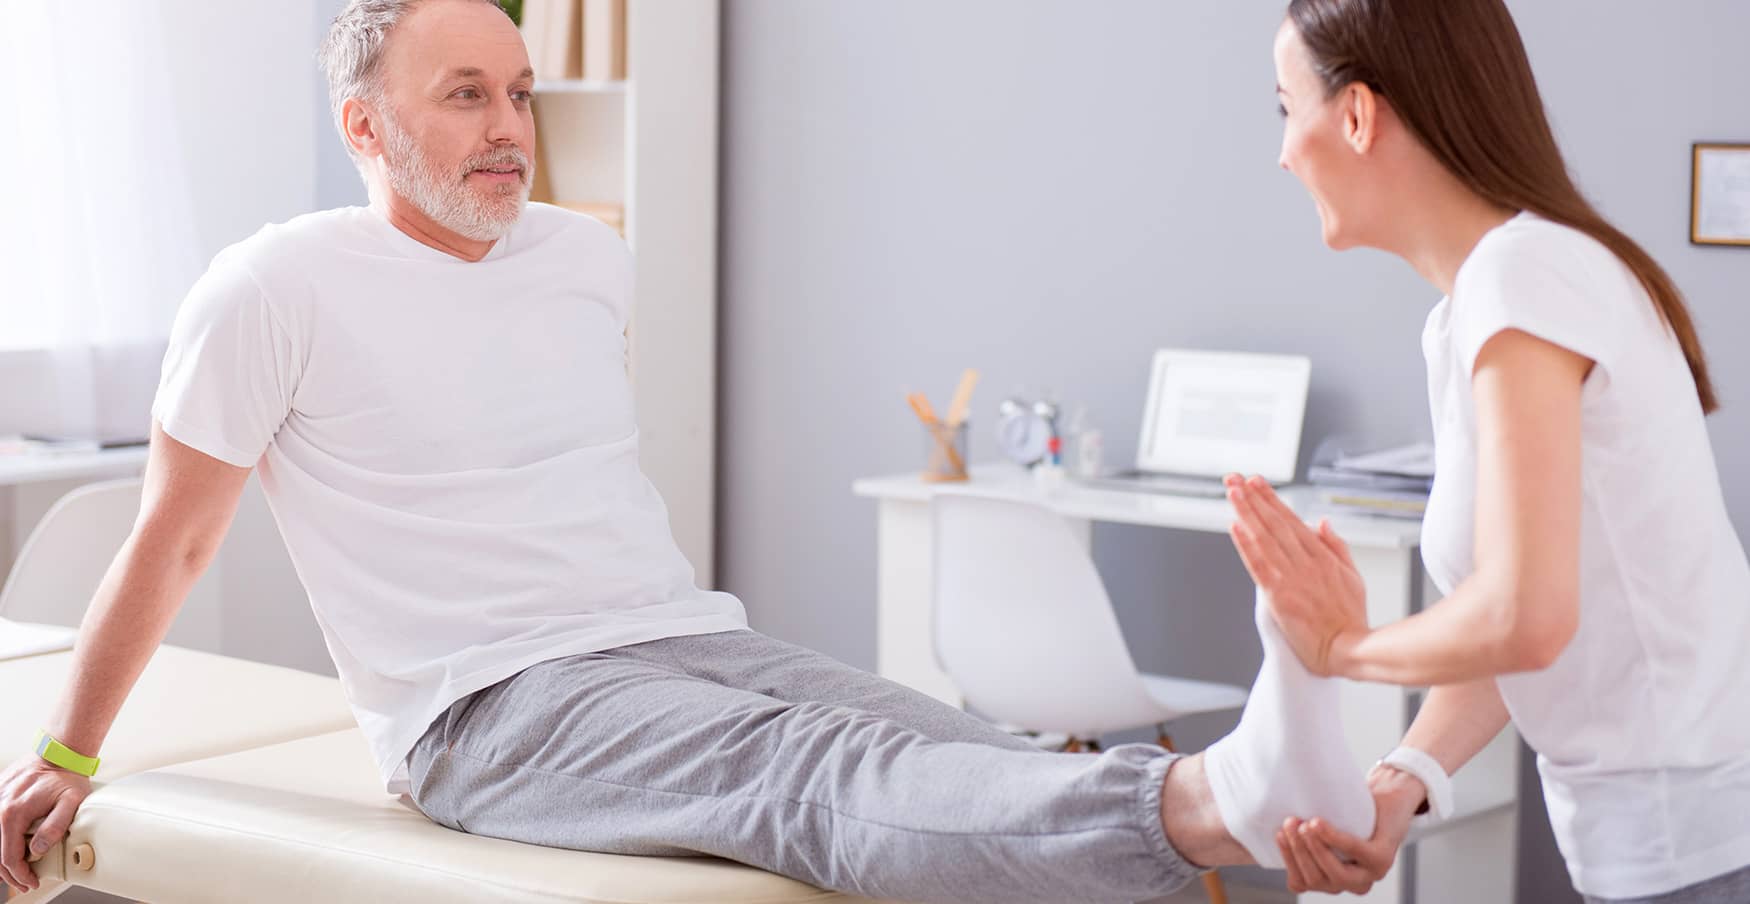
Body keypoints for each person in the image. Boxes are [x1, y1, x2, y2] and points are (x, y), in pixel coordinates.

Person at [0, 1, 1340, 900]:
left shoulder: (586, 257)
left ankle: (1207, 819)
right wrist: (66, 758)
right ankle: (1211, 800)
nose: (508, 128)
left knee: (925, 731)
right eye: (463, 97)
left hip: (677, 636)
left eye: (517, 92)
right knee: (807, 781)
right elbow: (174, 538)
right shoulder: (270, 288)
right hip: (485, 708)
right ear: (366, 127)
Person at [1224, 1, 1750, 902]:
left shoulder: (1524, 276)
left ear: (1355, 115)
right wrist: (1407, 777)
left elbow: (1526, 616)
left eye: (1286, 108)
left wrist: (1340, 644)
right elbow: (1534, 621)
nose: (1281, 153)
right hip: (1661, 841)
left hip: (1692, 837)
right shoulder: (1485, 302)